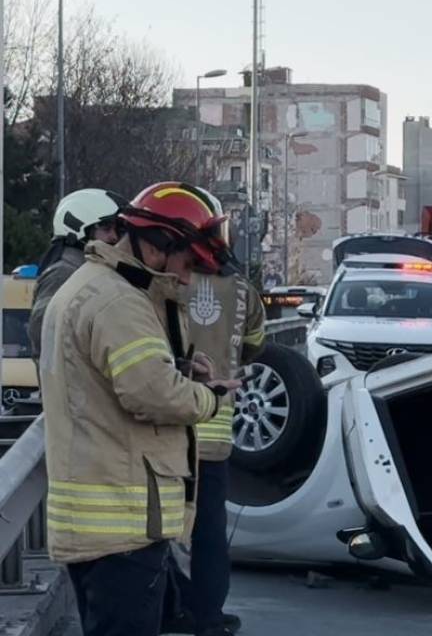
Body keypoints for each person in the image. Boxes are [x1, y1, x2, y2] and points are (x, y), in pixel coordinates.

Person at [40, 181, 241, 636]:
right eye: (188, 263)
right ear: (157, 245)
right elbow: (152, 394)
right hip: (121, 520)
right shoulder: (120, 303)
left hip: (106, 519)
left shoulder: (94, 287)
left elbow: (119, 377)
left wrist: (183, 369)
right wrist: (210, 396)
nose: (189, 278)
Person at [167, 191, 265, 636]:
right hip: (215, 431)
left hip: (167, 425)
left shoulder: (168, 279)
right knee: (209, 533)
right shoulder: (241, 288)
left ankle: (170, 610)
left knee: (159, 531)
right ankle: (208, 618)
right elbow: (256, 342)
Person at [29, 188, 129, 363]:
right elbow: (44, 335)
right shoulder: (62, 273)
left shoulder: (92, 271)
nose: (114, 237)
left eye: (117, 230)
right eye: (106, 228)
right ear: (77, 226)